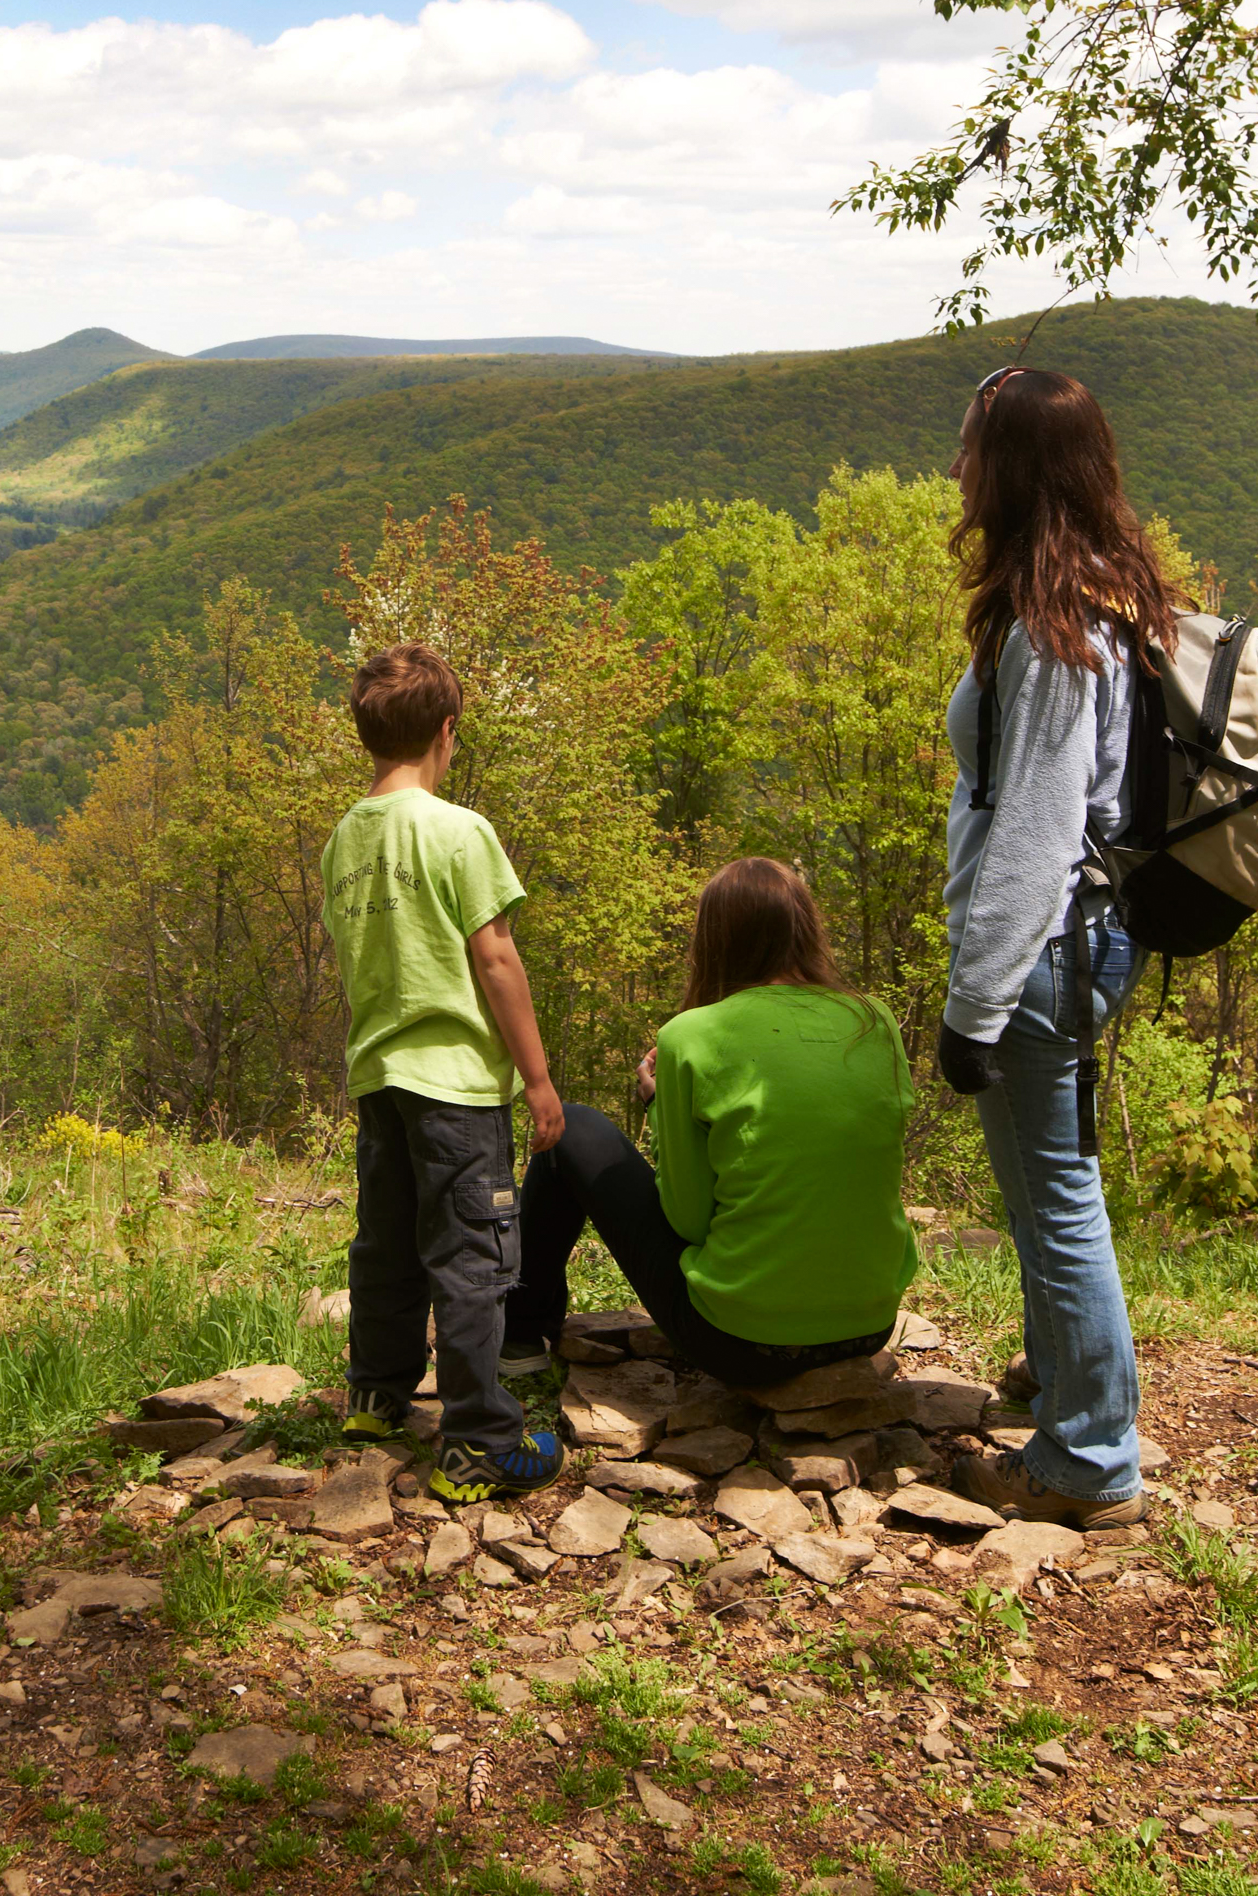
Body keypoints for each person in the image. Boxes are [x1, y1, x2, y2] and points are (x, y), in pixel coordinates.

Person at [929, 364, 1176, 1530]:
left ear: (1016, 466)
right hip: (1083, 940)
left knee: (1057, 1192)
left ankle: (1087, 1456)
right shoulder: (1100, 600)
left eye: (972, 446)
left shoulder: (1052, 632)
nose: (957, 467)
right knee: (1044, 1181)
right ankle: (1061, 1370)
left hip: (1047, 947)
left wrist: (972, 1007)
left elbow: (1034, 830)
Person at [502, 858, 917, 1390]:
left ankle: (520, 1335)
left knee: (573, 1130)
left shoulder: (691, 1036)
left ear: (714, 939)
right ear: (807, 928)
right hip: (871, 1326)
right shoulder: (875, 1019)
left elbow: (689, 1219)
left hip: (744, 1343)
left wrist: (659, 1103)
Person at [324, 640, 570, 1502]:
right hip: (457, 1084)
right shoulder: (460, 831)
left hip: (379, 1075)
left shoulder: (344, 840)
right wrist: (537, 1080)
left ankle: (376, 1395)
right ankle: (478, 1440)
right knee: (471, 1256)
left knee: (387, 1242)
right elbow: (495, 959)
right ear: (447, 731)